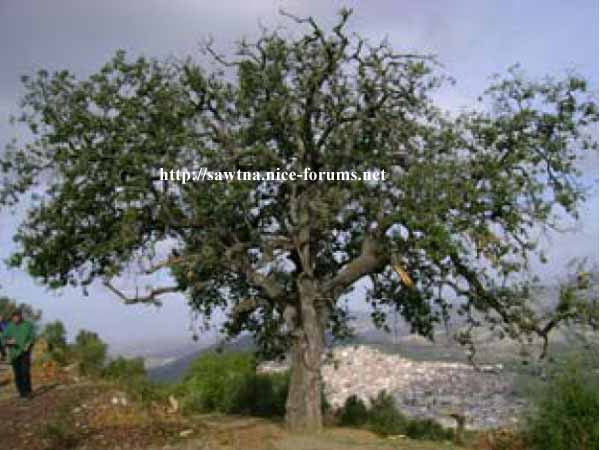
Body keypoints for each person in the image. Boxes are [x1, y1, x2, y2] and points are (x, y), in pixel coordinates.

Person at [2, 310, 35, 399]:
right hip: (14, 354)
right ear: (12, 318)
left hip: (25, 352)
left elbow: (32, 337)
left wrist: (28, 345)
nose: (16, 319)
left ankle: (28, 391)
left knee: (25, 372)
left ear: (20, 317)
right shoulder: (9, 327)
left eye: (17, 317)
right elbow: (3, 338)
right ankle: (22, 393)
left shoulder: (27, 325)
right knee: (17, 374)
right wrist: (8, 341)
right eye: (14, 317)